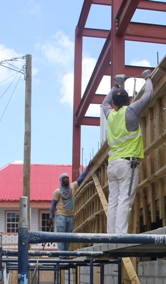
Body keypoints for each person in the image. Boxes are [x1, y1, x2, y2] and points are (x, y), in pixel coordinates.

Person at [101, 69, 153, 234]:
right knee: (124, 200)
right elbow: (149, 94)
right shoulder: (131, 111)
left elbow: (104, 103)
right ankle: (120, 235)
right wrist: (148, 78)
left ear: (114, 104)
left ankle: (112, 235)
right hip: (127, 165)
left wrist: (117, 84)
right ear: (129, 100)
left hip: (113, 165)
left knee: (114, 202)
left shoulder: (110, 115)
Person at [48, 166, 89, 253]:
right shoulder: (57, 191)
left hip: (70, 216)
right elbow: (53, 205)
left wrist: (88, 167)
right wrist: (50, 217)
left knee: (68, 237)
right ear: (61, 180)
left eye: (67, 178)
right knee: (61, 236)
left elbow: (81, 178)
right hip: (61, 216)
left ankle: (65, 254)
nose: (66, 179)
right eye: (64, 178)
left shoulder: (72, 187)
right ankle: (62, 256)